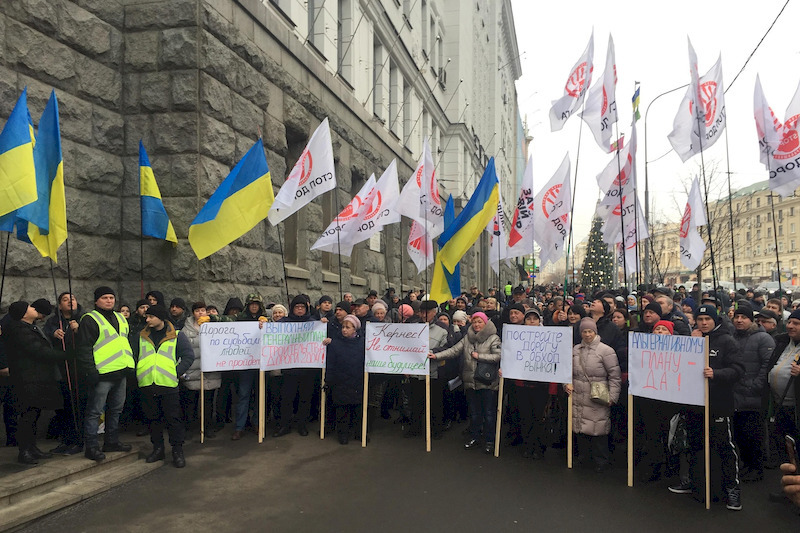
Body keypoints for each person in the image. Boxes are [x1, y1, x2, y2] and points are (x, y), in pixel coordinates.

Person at [673, 305, 744, 511]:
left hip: (719, 404)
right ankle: (697, 484)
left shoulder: (726, 341)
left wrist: (717, 373)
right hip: (695, 403)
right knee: (695, 445)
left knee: (724, 447)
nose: (704, 323)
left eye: (707, 319)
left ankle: (733, 489)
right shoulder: (693, 339)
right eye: (700, 319)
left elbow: (738, 369)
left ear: (715, 320)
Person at [4, 302, 69, 465]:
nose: (35, 309)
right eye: (31, 308)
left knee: (34, 414)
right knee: (27, 415)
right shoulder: (19, 329)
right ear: (24, 313)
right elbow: (37, 350)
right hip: (26, 378)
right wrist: (63, 355)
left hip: (37, 378)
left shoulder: (31, 327)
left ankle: (32, 448)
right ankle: (24, 450)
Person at [77, 287, 135, 462]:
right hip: (102, 374)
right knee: (94, 412)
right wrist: (90, 371)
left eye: (111, 297)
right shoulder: (89, 319)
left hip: (121, 371)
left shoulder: (120, 317)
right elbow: (84, 348)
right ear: (96, 301)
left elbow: (124, 342)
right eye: (104, 298)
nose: (109, 300)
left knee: (116, 410)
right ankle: (92, 447)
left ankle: (111, 441)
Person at [430, 312, 501, 454]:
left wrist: (480, 356)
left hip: (487, 382)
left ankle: (489, 441)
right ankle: (474, 437)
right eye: (474, 322)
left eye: (480, 322)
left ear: (485, 323)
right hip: (470, 381)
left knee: (489, 413)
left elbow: (499, 356)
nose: (477, 324)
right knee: (474, 413)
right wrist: (436, 355)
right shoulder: (467, 338)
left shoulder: (493, 338)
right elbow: (453, 351)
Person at [135, 304, 194, 468]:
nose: (147, 320)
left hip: (168, 385)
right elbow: (134, 356)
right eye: (146, 317)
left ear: (161, 318)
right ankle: (158, 449)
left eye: (150, 317)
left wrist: (176, 372)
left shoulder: (177, 335)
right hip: (147, 384)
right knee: (153, 420)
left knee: (173, 420)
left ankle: (177, 451)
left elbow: (188, 356)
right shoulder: (141, 336)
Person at [565, 317, 621, 473]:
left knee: (599, 429)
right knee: (581, 429)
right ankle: (584, 458)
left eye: (590, 331)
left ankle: (601, 460)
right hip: (578, 395)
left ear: (595, 332)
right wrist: (566, 385)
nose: (587, 334)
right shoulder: (575, 350)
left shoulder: (606, 351)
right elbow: (566, 371)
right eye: (584, 331)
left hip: (598, 395)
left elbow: (614, 376)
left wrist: (613, 396)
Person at [731, 303, 774, 482]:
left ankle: (756, 468)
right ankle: (747, 465)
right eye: (737, 317)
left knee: (753, 434)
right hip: (736, 395)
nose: (739, 320)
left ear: (752, 320)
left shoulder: (763, 339)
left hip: (754, 396)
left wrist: (755, 385)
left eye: (744, 317)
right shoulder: (732, 337)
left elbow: (767, 365)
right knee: (740, 434)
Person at [43, 292, 85, 455]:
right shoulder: (53, 321)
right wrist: (53, 333)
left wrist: (78, 331)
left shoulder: (84, 319)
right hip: (60, 368)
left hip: (79, 368)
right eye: (65, 300)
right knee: (63, 406)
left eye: (72, 299)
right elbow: (44, 338)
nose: (70, 302)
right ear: (59, 305)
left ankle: (78, 441)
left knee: (78, 406)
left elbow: (91, 339)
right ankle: (65, 440)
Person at [274, 296, 316, 437]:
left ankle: (302, 425)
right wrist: (263, 326)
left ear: (306, 308)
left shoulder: (313, 323)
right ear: (292, 309)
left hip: (307, 369)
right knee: (287, 398)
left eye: (302, 307)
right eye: (297, 307)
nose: (299, 309)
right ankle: (284, 425)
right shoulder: (284, 322)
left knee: (305, 399)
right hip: (289, 369)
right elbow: (272, 334)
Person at [180, 302, 221, 439]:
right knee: (190, 402)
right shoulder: (186, 330)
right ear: (193, 313)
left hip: (209, 371)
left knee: (208, 402)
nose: (201, 313)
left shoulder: (215, 327)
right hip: (193, 370)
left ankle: (208, 427)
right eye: (197, 311)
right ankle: (189, 428)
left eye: (203, 310)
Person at [322, 314, 365, 444]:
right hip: (340, 382)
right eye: (343, 327)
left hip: (357, 380)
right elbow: (331, 363)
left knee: (357, 409)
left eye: (348, 327)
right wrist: (328, 379)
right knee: (342, 410)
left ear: (355, 329)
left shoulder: (362, 343)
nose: (344, 330)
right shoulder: (335, 343)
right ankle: (343, 434)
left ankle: (358, 432)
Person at [232, 294, 268, 440]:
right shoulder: (240, 318)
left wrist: (267, 323)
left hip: (260, 364)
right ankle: (239, 427)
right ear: (247, 305)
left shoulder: (265, 320)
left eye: (257, 304)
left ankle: (257, 423)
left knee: (260, 395)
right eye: (252, 304)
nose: (254, 306)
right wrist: (211, 319)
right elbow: (225, 320)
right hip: (245, 364)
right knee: (243, 395)